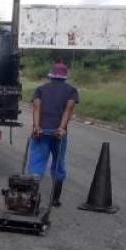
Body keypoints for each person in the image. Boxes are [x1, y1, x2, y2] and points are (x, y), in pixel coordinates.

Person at [29, 61, 79, 207]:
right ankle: (55, 199)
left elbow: (36, 109)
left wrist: (37, 126)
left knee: (36, 164)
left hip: (42, 131)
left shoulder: (40, 89)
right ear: (65, 77)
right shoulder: (71, 91)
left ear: (51, 76)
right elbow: (67, 110)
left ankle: (31, 198)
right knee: (58, 164)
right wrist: (62, 128)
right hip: (58, 133)